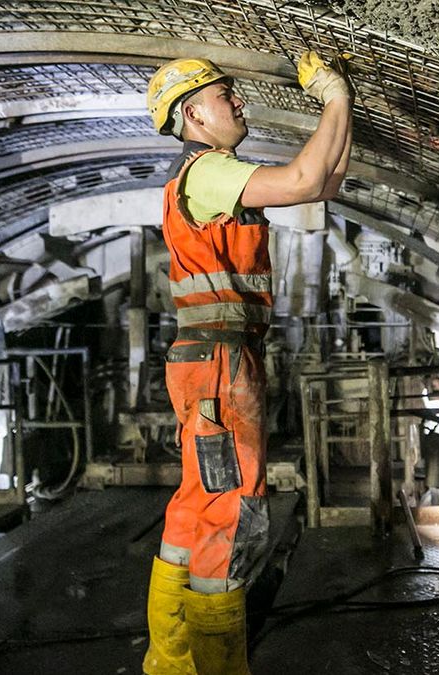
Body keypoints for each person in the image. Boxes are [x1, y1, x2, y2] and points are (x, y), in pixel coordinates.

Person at [142, 52, 352, 675]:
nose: (238, 104)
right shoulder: (206, 171)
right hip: (220, 363)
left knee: (195, 505)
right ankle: (216, 666)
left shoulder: (210, 178)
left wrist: (344, 109)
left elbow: (326, 182)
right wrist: (334, 98)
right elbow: (303, 182)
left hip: (211, 358)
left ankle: (171, 662)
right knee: (232, 505)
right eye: (225, 96)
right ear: (192, 114)